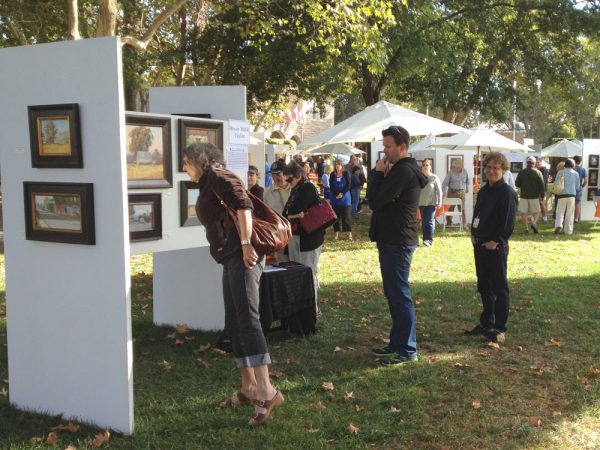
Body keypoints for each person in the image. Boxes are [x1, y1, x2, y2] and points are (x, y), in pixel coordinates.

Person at [182, 142, 283, 426]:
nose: (183, 167)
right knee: (235, 321)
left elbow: (244, 207)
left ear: (199, 160)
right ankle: (249, 387)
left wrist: (247, 243)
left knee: (248, 320)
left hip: (243, 255)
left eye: (186, 162)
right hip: (231, 257)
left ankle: (267, 391)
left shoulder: (219, 176)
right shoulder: (208, 182)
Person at [367, 125, 427, 366]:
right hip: (393, 238)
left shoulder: (403, 171)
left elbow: (376, 200)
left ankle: (407, 348)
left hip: (398, 240)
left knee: (399, 293)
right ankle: (398, 342)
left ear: (402, 148)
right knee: (393, 292)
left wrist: (377, 174)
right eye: (384, 146)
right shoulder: (401, 169)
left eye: (388, 147)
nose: (384, 152)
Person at [465, 152, 516, 343]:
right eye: (489, 167)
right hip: (480, 244)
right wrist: (473, 233)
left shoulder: (507, 192)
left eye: (496, 167)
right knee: (484, 286)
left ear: (503, 169)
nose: (492, 171)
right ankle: (486, 323)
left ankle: (499, 328)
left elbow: (509, 221)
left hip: (495, 247)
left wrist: (497, 240)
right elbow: (477, 213)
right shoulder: (485, 190)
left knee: (499, 287)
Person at [282, 161, 325, 313]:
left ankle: (313, 309)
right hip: (298, 236)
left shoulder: (307, 187)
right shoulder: (296, 189)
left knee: (308, 272)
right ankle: (303, 307)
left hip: (309, 238)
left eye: (289, 179)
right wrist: (292, 215)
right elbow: (285, 213)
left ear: (299, 175)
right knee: (299, 271)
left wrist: (291, 214)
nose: (287, 183)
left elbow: (294, 209)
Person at [263, 160, 291, 263]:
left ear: (286, 173)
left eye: (278, 174)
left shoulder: (295, 188)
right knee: (281, 264)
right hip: (279, 235)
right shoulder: (266, 193)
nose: (275, 178)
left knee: (299, 264)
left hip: (297, 234)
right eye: (273, 175)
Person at [515, 156, 545, 234]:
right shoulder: (538, 172)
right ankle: (533, 221)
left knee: (523, 212)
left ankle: (526, 228)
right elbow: (542, 185)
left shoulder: (522, 172)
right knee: (537, 211)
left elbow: (517, 183)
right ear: (534, 163)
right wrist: (542, 195)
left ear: (527, 163)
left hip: (524, 195)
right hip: (534, 196)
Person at [418, 159, 443, 247]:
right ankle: (425, 240)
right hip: (421, 203)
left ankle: (429, 240)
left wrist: (440, 202)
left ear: (430, 167)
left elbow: (439, 191)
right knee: (424, 222)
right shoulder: (419, 177)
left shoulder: (434, 177)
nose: (425, 166)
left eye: (427, 165)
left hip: (431, 203)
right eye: (423, 165)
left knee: (429, 221)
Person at [553, 158, 581, 235]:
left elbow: (556, 182)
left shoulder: (560, 172)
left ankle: (558, 225)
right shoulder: (576, 173)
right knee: (570, 213)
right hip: (572, 195)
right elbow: (578, 186)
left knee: (560, 212)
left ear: (565, 165)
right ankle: (568, 231)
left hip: (561, 195)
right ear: (573, 165)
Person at [442, 158, 469, 227]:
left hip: (461, 192)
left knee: (462, 208)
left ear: (461, 166)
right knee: (450, 208)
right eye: (455, 167)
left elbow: (467, 181)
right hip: (452, 192)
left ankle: (464, 224)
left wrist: (467, 188)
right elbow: (445, 183)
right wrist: (444, 192)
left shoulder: (465, 171)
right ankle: (449, 223)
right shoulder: (451, 172)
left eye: (458, 167)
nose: (456, 168)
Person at [330, 159, 353, 240]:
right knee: (335, 217)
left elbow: (348, 185)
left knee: (346, 216)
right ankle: (336, 234)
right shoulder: (332, 174)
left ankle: (349, 234)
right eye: (336, 165)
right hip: (335, 198)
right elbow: (331, 186)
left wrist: (342, 193)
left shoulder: (346, 173)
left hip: (345, 198)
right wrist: (336, 194)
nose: (337, 166)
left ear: (341, 165)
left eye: (339, 164)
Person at [573, 155, 588, 223]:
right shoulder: (583, 169)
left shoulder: (571, 169)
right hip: (578, 188)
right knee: (577, 204)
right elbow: (586, 181)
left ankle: (570, 217)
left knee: (570, 204)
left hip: (571, 188)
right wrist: (581, 186)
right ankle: (576, 218)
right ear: (580, 161)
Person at [535, 157, 549, 222]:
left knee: (541, 203)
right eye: (535, 162)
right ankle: (535, 218)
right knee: (537, 204)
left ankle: (545, 217)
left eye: (537, 162)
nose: (536, 164)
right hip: (536, 189)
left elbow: (544, 181)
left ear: (541, 162)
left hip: (542, 190)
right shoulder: (535, 169)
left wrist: (542, 192)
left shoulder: (543, 169)